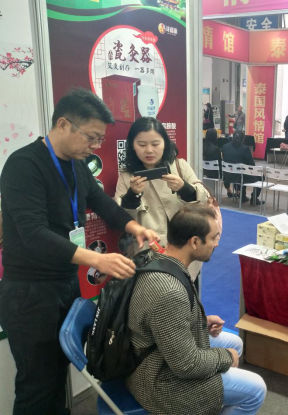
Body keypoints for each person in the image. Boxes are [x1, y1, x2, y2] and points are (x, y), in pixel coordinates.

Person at [0, 89, 158, 414]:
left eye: (100, 138)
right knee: (37, 386)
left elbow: (102, 204)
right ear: (63, 124)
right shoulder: (23, 165)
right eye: (91, 136)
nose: (95, 145)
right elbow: (34, 235)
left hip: (65, 283)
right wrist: (97, 259)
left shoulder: (76, 165)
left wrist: (134, 227)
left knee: (58, 376)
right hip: (30, 294)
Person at [127, 204, 267, 414]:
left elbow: (164, 320)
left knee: (235, 343)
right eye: (213, 238)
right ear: (194, 242)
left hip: (157, 354)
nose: (217, 244)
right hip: (158, 381)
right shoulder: (169, 291)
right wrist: (226, 357)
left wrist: (199, 320)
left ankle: (212, 401)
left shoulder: (159, 257)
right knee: (256, 389)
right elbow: (186, 365)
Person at [115, 117, 208, 281]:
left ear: (165, 143)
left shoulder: (180, 166)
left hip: (185, 249)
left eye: (155, 144)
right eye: (142, 144)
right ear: (133, 146)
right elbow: (120, 217)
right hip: (149, 254)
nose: (149, 150)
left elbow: (204, 200)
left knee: (186, 289)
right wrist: (133, 194)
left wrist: (183, 188)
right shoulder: (126, 176)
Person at [222, 131, 263, 205]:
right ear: (243, 139)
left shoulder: (225, 147)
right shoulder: (245, 148)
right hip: (239, 176)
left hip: (227, 176)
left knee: (239, 171)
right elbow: (251, 165)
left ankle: (242, 195)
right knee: (261, 176)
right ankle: (254, 198)